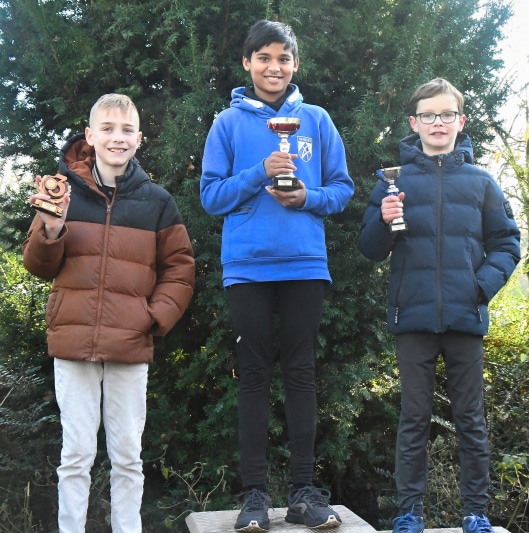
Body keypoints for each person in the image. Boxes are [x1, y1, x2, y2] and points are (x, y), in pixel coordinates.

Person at [200, 19, 354, 533]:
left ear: (295, 64)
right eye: (264, 58)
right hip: (246, 267)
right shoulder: (227, 123)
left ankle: (305, 493)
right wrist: (259, 173)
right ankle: (254, 496)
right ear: (247, 63)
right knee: (254, 375)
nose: (274, 67)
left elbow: (342, 189)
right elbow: (211, 196)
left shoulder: (317, 120)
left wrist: (306, 197)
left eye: (283, 58)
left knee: (302, 373)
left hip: (305, 264)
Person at [22, 93, 195, 532]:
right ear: (90, 135)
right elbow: (38, 265)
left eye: (126, 130)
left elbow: (180, 268)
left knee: (127, 458)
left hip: (130, 345)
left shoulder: (158, 202)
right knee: (76, 455)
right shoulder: (60, 194)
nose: (117, 138)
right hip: (73, 342)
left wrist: (151, 318)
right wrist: (52, 230)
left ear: (138, 138)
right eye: (107, 129)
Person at [357, 78, 520, 533]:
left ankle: (476, 513)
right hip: (412, 318)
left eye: (447, 114)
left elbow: (507, 243)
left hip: (466, 318)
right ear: (414, 123)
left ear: (460, 121)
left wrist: (480, 288)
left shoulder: (482, 182)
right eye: (428, 115)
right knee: (413, 418)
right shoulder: (392, 182)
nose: (438, 123)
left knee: (471, 419)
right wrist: (384, 221)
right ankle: (409, 512)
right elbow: (369, 248)